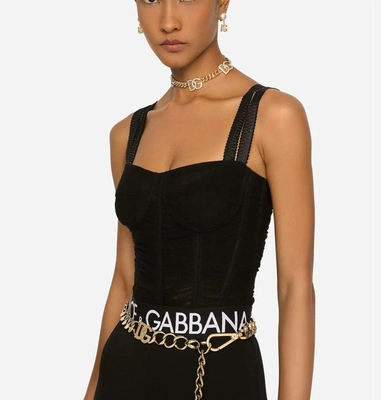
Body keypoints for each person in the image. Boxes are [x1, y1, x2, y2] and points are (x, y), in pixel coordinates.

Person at [84, 0, 315, 399]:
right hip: (123, 373)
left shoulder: (273, 116)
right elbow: (124, 279)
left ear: (222, 3)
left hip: (220, 374)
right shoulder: (127, 133)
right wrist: (91, 390)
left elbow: (294, 286)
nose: (168, 21)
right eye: (150, 0)